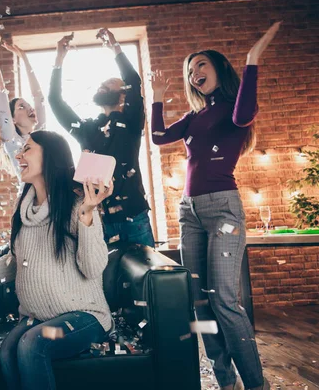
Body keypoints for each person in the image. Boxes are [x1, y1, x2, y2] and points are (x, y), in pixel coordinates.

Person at [150, 22, 280, 390]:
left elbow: (244, 113)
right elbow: (159, 137)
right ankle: (227, 382)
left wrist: (253, 59)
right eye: (190, 71)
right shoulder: (194, 116)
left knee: (223, 300)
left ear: (220, 69)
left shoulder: (232, 110)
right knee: (199, 303)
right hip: (189, 212)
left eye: (201, 66)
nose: (194, 75)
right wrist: (157, 95)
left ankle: (256, 384)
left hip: (223, 210)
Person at [0, 130, 113, 390]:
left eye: (28, 149)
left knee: (33, 344)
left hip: (84, 317)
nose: (19, 155)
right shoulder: (23, 212)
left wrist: (87, 213)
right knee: (8, 352)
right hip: (36, 318)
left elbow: (93, 268)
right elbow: (15, 262)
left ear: (50, 156)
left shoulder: (78, 206)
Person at [49, 28, 154, 248]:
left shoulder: (132, 121)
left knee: (146, 278)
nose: (102, 86)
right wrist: (59, 58)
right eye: (101, 85)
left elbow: (134, 81)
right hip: (99, 219)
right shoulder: (87, 128)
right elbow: (55, 101)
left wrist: (115, 47)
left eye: (109, 84)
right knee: (104, 280)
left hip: (134, 216)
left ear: (123, 93)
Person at [0, 26, 46, 179]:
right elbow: (1, 97)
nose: (30, 107)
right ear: (13, 119)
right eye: (21, 107)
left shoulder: (42, 134)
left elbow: (39, 97)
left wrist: (24, 58)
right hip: (28, 199)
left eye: (28, 105)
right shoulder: (11, 139)